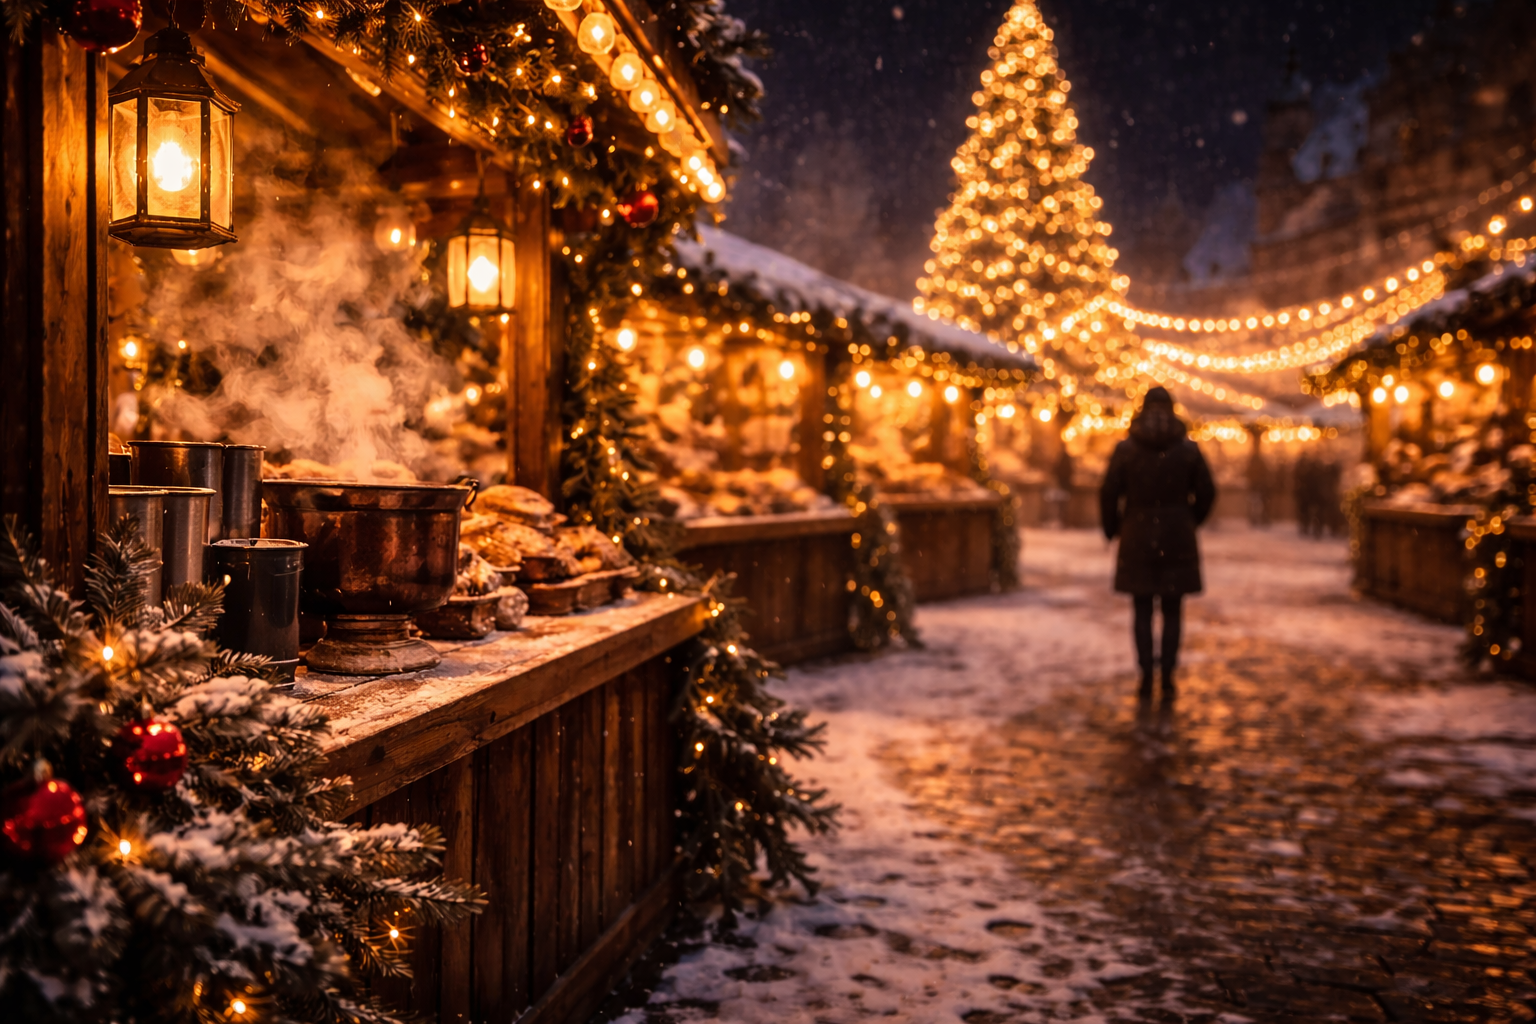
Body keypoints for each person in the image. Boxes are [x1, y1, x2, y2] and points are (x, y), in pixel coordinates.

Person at [1099, 387, 1217, 701]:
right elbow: (1207, 491)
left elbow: (1109, 492)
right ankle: (1167, 675)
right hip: (1177, 537)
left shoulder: (1127, 449)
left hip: (1137, 534)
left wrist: (1113, 528)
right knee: (1172, 609)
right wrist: (1189, 519)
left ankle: (1145, 674)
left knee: (1141, 609)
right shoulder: (1188, 450)